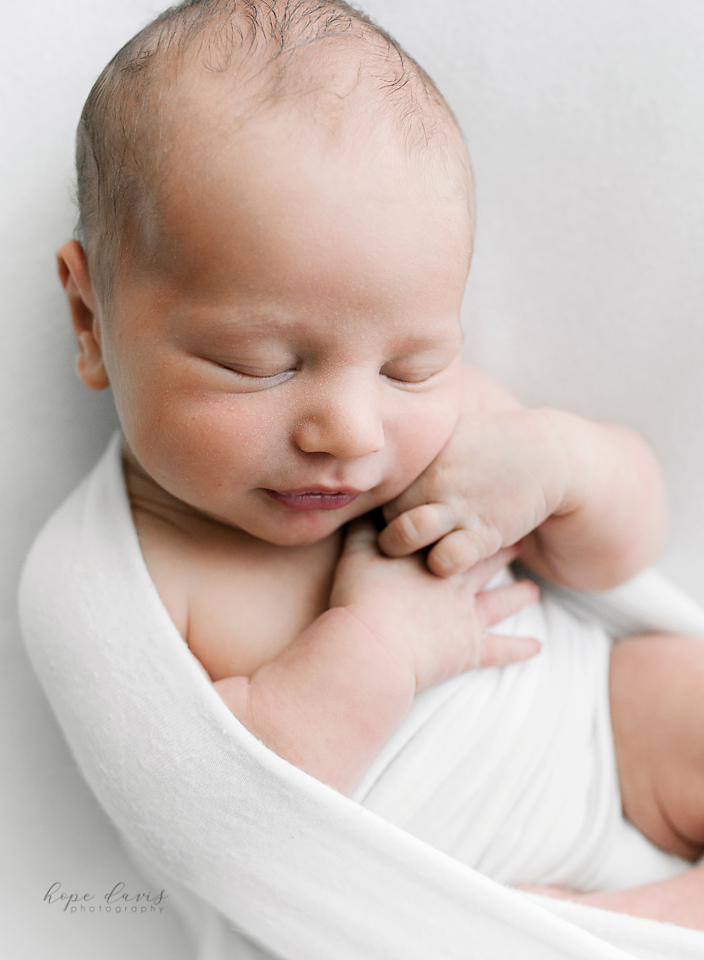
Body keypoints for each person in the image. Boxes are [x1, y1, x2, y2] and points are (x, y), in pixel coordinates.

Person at [57, 0, 704, 929]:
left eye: (412, 366)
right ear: (91, 320)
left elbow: (617, 554)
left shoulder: (455, 434)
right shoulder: (109, 583)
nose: (352, 432)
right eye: (261, 365)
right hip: (426, 902)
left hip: (605, 732)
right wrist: (379, 646)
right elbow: (224, 826)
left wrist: (566, 463)